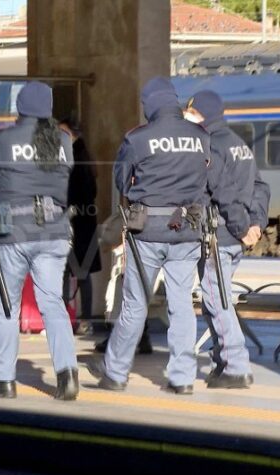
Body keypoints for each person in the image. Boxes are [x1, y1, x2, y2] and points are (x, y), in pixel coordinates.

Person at [91, 77, 229, 395]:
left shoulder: (138, 138)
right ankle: (181, 378)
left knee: (135, 303)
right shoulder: (200, 135)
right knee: (181, 305)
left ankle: (115, 373)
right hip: (188, 232)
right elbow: (208, 177)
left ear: (150, 104)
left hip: (147, 232)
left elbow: (122, 182)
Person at [0, 81, 79, 401]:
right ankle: (67, 377)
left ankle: (4, 381)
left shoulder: (4, 139)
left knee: (9, 306)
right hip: (54, 231)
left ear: (20, 106)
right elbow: (66, 174)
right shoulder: (63, 140)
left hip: (13, 233)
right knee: (53, 304)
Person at [185, 90, 271, 390]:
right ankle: (222, 361)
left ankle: (236, 366)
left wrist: (242, 226)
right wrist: (256, 222)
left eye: (192, 112)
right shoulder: (239, 144)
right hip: (231, 237)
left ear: (203, 113)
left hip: (218, 236)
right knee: (216, 300)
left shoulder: (208, 145)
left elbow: (222, 192)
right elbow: (261, 185)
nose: (189, 117)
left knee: (216, 300)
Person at [59, 120, 102, 329]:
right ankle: (85, 318)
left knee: (67, 271)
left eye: (62, 132)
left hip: (74, 222)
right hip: (85, 222)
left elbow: (75, 192)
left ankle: (70, 318)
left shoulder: (73, 158)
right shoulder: (83, 155)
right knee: (81, 273)